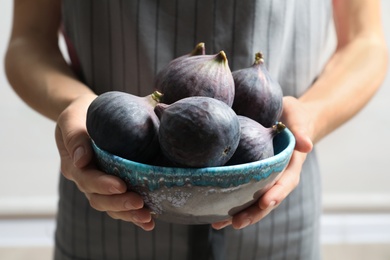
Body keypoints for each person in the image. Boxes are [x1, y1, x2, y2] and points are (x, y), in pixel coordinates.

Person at [5, 0, 388, 259]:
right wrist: (74, 104)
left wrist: (311, 115)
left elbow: (366, 43)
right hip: (109, 207)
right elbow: (28, 42)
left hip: (274, 213)